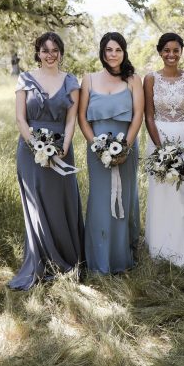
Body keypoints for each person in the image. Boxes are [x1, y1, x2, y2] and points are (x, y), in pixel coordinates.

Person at [9, 32, 84, 290]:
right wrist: (36, 146)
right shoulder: (25, 79)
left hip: (62, 148)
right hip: (30, 151)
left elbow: (71, 119)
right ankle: (40, 261)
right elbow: (20, 119)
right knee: (37, 205)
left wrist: (63, 145)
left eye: (55, 50)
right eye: (44, 50)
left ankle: (66, 259)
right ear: (38, 53)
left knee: (62, 203)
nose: (50, 55)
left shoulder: (71, 81)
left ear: (61, 52)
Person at [78, 32, 144, 274]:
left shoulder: (133, 80)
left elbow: (139, 114)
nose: (113, 54)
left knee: (124, 198)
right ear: (102, 53)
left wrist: (125, 146)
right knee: (99, 200)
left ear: (124, 52)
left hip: (126, 146)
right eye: (108, 50)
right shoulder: (89, 79)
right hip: (96, 150)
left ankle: (121, 257)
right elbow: (82, 117)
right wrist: (96, 145)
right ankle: (97, 259)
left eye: (117, 49)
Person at [144, 33, 184, 270]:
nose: (171, 55)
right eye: (167, 50)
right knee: (161, 194)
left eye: (176, 50)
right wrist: (160, 151)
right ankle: (160, 249)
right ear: (160, 52)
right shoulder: (150, 79)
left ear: (181, 52)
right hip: (158, 141)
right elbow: (148, 116)